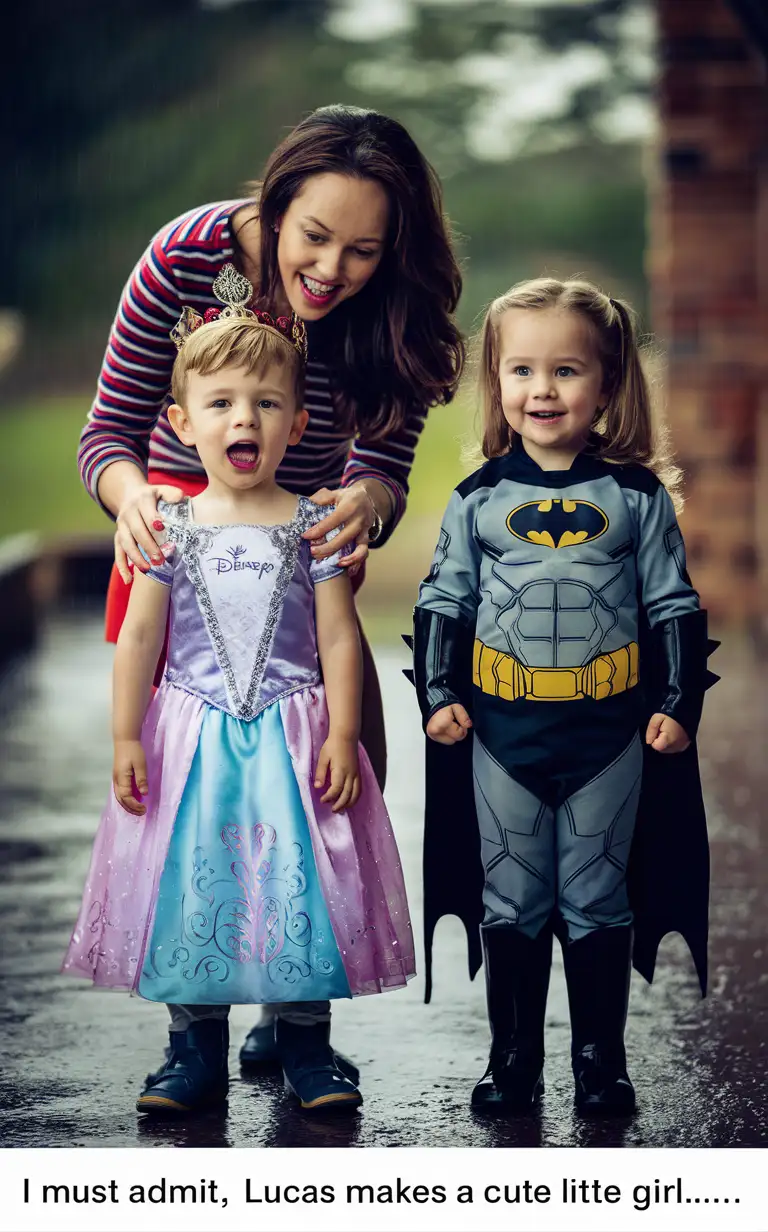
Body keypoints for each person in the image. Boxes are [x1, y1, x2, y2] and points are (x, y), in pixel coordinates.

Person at [76, 104, 463, 1069]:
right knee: (191, 801)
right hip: (182, 549)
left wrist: (364, 506)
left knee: (333, 785)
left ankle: (292, 1014)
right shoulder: (186, 256)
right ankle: (197, 1019)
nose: (333, 270)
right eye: (315, 237)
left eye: (364, 250)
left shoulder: (396, 308)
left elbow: (386, 466)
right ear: (276, 202)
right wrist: (136, 505)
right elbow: (108, 435)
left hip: (305, 557)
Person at [64, 273, 415, 1116]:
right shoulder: (168, 524)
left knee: (300, 882)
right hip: (194, 740)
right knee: (198, 880)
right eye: (220, 404)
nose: (244, 420)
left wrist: (343, 734)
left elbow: (336, 635)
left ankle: (306, 1041)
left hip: (295, 737)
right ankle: (193, 1048)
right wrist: (125, 738)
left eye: (265, 404)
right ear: (182, 423)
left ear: (298, 424)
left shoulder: (312, 525)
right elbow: (142, 639)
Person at [412, 278, 716, 1117]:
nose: (541, 390)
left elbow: (673, 604)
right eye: (521, 370)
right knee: (511, 895)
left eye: (567, 370)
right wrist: (437, 691)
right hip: (502, 731)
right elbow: (445, 601)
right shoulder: (477, 501)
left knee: (596, 895)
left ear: (609, 383)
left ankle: (599, 1062)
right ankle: (511, 1059)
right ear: (497, 383)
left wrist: (680, 701)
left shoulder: (636, 498)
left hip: (608, 733)